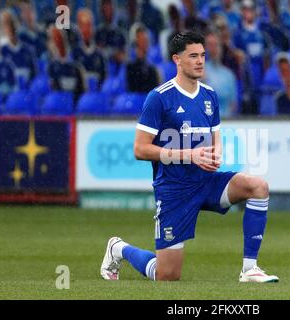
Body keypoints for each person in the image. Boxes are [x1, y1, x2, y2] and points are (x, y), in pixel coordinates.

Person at [100, 31, 278, 283]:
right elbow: (140, 149)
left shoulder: (209, 96)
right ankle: (118, 248)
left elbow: (216, 139)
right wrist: (188, 155)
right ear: (177, 59)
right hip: (174, 189)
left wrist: (215, 154)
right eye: (193, 56)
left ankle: (249, 269)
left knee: (257, 186)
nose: (200, 61)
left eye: (203, 55)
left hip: (206, 182)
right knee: (167, 276)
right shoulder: (159, 98)